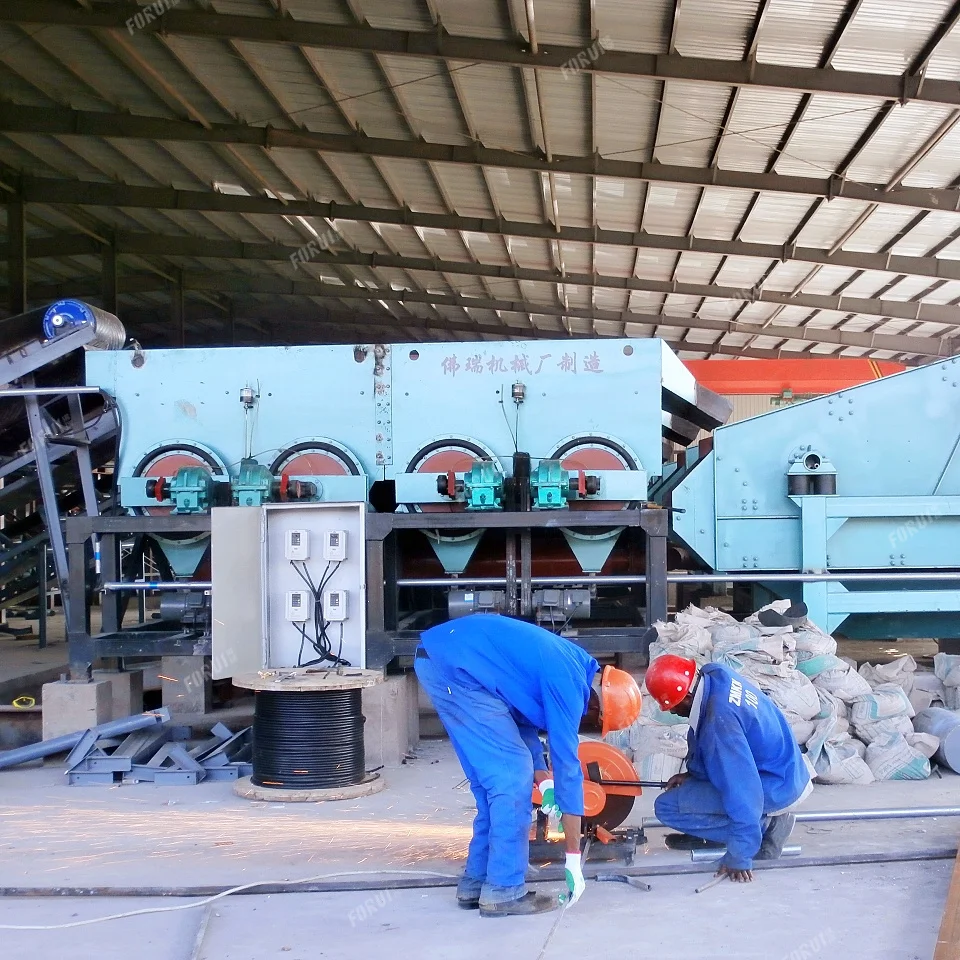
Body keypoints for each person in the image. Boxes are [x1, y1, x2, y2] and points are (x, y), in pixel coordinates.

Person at [415, 613, 642, 917]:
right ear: (597, 702)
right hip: (458, 668)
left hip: (443, 659)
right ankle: (504, 891)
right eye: (596, 717)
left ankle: (477, 881)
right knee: (512, 778)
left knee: (493, 785)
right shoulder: (569, 684)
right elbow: (568, 767)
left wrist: (543, 779)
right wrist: (572, 859)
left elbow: (518, 718)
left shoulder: (570, 664)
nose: (587, 719)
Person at [646, 654, 812, 883]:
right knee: (687, 794)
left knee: (667, 807)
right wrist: (692, 775)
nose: (671, 712)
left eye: (672, 705)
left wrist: (740, 855)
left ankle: (766, 828)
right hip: (786, 771)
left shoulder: (720, 724)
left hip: (774, 786)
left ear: (687, 697)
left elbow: (742, 789)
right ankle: (734, 831)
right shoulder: (715, 676)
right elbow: (706, 741)